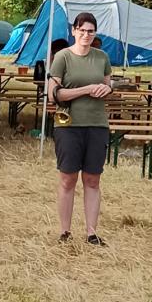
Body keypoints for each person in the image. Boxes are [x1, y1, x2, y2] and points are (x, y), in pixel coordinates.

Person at [46, 13, 112, 245]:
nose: (86, 34)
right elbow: (54, 95)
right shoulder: (62, 57)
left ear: (95, 34)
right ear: (74, 31)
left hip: (97, 124)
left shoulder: (102, 57)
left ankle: (92, 233)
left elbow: (107, 85)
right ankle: (65, 231)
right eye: (82, 30)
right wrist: (86, 89)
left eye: (90, 31)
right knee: (68, 178)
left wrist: (107, 89)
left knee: (93, 179)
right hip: (69, 125)